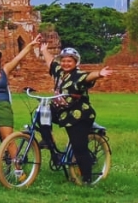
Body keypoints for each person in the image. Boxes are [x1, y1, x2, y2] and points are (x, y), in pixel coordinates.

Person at [39, 44, 112, 185]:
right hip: (62, 112)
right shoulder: (59, 72)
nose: (66, 63)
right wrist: (44, 51)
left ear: (75, 62)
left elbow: (88, 77)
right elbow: (51, 63)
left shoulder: (78, 75)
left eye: (69, 61)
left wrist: (99, 74)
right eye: (64, 61)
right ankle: (49, 144)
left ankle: (87, 178)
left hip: (79, 115)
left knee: (79, 147)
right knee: (41, 113)